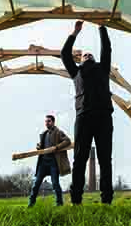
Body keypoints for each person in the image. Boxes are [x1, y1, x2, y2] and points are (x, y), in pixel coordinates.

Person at [61, 20, 114, 205]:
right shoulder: (76, 72)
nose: (88, 55)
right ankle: (76, 200)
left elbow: (106, 49)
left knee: (105, 159)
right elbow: (64, 54)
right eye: (84, 55)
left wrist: (101, 27)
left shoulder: (103, 69)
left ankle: (106, 200)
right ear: (80, 59)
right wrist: (74, 33)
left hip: (104, 117)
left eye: (90, 54)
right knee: (80, 159)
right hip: (83, 117)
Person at [28, 114, 72, 207]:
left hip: (53, 163)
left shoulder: (58, 132)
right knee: (36, 183)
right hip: (43, 163)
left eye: (49, 121)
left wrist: (56, 147)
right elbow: (41, 145)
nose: (47, 123)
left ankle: (59, 203)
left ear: (53, 122)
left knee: (55, 183)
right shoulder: (44, 134)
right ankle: (31, 204)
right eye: (46, 121)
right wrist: (39, 146)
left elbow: (67, 141)